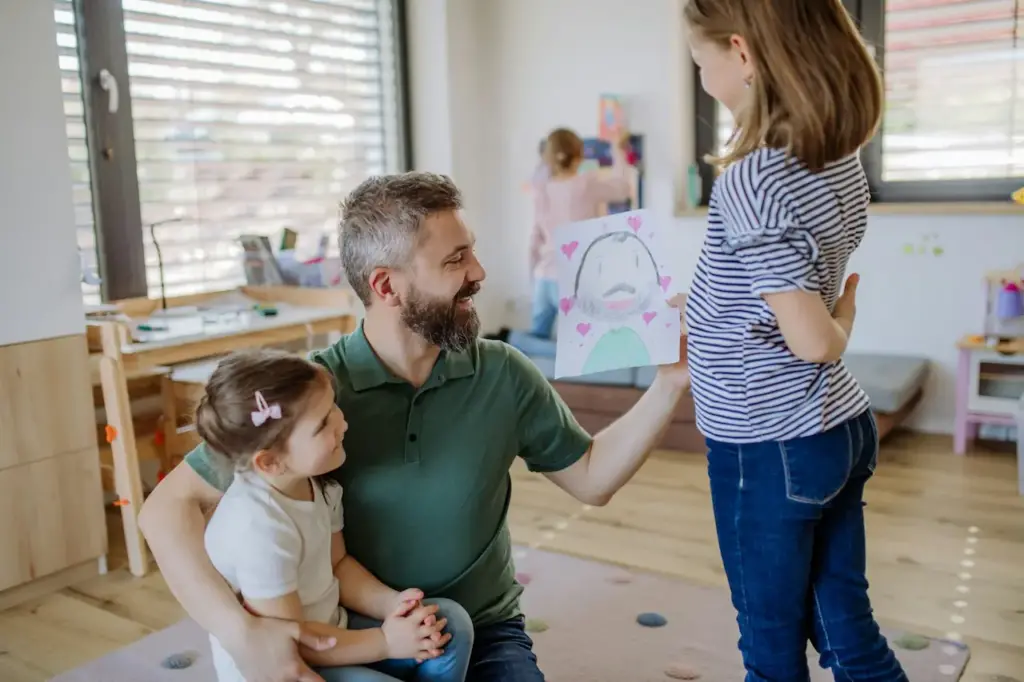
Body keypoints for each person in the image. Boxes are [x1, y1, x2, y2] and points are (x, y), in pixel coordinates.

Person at [139, 170, 690, 682]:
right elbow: (166, 510)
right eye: (456, 260)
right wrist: (245, 634)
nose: (479, 272)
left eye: (471, 251)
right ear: (386, 285)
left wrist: (669, 384)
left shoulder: (503, 372)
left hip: (477, 627)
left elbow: (591, 479)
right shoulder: (307, 396)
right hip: (347, 627)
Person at [683, 1, 906, 680]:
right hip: (835, 426)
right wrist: (703, 307)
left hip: (768, 441)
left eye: (701, 60)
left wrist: (841, 321)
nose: (700, 76)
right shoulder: (833, 155)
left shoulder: (753, 176)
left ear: (743, 54)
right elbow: (784, 277)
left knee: (771, 650)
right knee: (847, 630)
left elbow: (813, 340)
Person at [195, 349, 472, 682]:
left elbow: (337, 565)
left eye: (333, 407)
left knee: (449, 623)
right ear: (270, 461)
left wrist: (391, 605)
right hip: (293, 665)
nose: (342, 422)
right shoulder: (258, 529)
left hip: (333, 631)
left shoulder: (318, 484)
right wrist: (385, 642)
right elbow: (294, 643)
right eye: (323, 423)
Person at [521, 127, 637, 343]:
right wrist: (617, 149)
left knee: (538, 345)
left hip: (543, 279)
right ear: (579, 156)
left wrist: (532, 280)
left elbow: (534, 241)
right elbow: (623, 189)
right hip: (574, 280)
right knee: (581, 344)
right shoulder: (585, 184)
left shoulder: (540, 190)